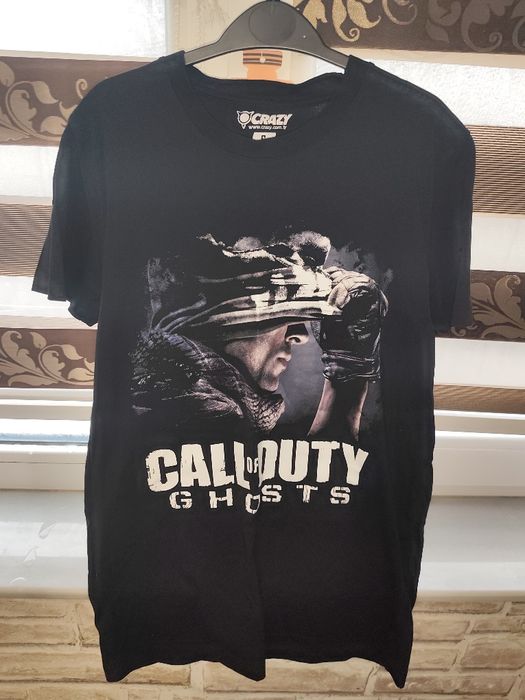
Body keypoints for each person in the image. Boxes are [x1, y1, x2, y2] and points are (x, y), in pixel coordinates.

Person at [129, 231, 388, 445]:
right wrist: (348, 381)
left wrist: (347, 375)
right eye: (280, 310)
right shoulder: (179, 411)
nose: (301, 335)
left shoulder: (182, 398)